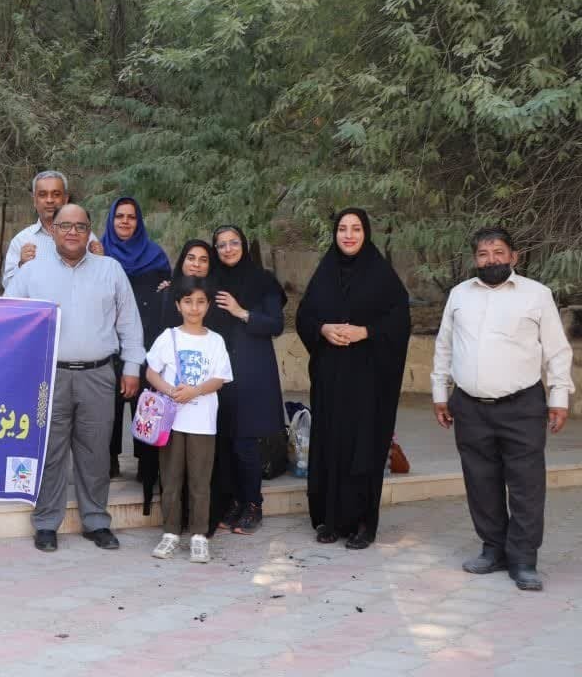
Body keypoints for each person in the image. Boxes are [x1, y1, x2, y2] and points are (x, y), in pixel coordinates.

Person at [431, 227, 574, 592]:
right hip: (469, 407)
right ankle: (493, 549)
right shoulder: (459, 295)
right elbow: (444, 346)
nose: (491, 259)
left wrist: (559, 398)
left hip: (522, 406)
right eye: (483, 254)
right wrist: (439, 392)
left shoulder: (536, 295)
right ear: (475, 259)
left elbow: (557, 350)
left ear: (514, 256)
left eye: (498, 252)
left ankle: (523, 559)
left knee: (526, 485)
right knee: (481, 482)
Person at [6, 203, 145, 553]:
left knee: (95, 452)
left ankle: (96, 521)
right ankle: (46, 523)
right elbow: (8, 316)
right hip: (48, 376)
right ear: (53, 230)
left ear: (89, 231)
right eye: (65, 225)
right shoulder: (31, 272)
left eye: (80, 226)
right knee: (50, 452)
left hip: (99, 375)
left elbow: (129, 323)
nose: (72, 232)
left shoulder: (110, 269)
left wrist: (132, 367)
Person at [296, 209, 410, 549]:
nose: (348, 235)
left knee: (364, 446)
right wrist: (323, 329)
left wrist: (366, 331)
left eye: (356, 228)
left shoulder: (382, 275)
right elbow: (304, 316)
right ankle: (329, 520)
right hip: (330, 378)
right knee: (330, 443)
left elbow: (400, 322)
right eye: (342, 229)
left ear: (366, 233)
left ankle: (363, 523)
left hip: (369, 380)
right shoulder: (325, 273)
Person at [205, 224, 286, 537]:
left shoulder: (262, 281)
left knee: (245, 442)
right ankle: (234, 501)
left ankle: (253, 504)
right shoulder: (212, 280)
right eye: (221, 245)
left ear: (244, 245)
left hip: (251, 370)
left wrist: (241, 312)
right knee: (225, 442)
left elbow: (275, 324)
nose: (228, 249)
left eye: (234, 243)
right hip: (218, 371)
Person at [145, 276, 233, 563]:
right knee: (170, 479)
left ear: (208, 305)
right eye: (188, 302)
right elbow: (151, 372)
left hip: (202, 423)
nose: (194, 308)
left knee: (200, 481)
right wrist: (170, 390)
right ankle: (170, 533)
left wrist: (194, 391)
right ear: (178, 305)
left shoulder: (215, 341)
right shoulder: (168, 337)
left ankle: (198, 536)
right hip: (170, 423)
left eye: (200, 302)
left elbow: (219, 379)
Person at [102, 197, 170, 479]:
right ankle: (109, 459)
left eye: (131, 217)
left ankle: (146, 461)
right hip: (108, 338)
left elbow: (167, 290)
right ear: (111, 220)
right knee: (109, 402)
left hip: (147, 337)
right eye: (120, 216)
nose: (125, 221)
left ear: (139, 221)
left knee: (145, 401)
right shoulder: (99, 253)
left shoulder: (155, 255)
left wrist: (168, 288)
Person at [1, 170, 102, 290]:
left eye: (56, 194)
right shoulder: (22, 240)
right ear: (34, 200)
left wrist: (98, 262)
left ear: (65, 199)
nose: (49, 200)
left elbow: (101, 286)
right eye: (43, 195)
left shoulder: (86, 238)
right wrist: (22, 265)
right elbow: (8, 286)